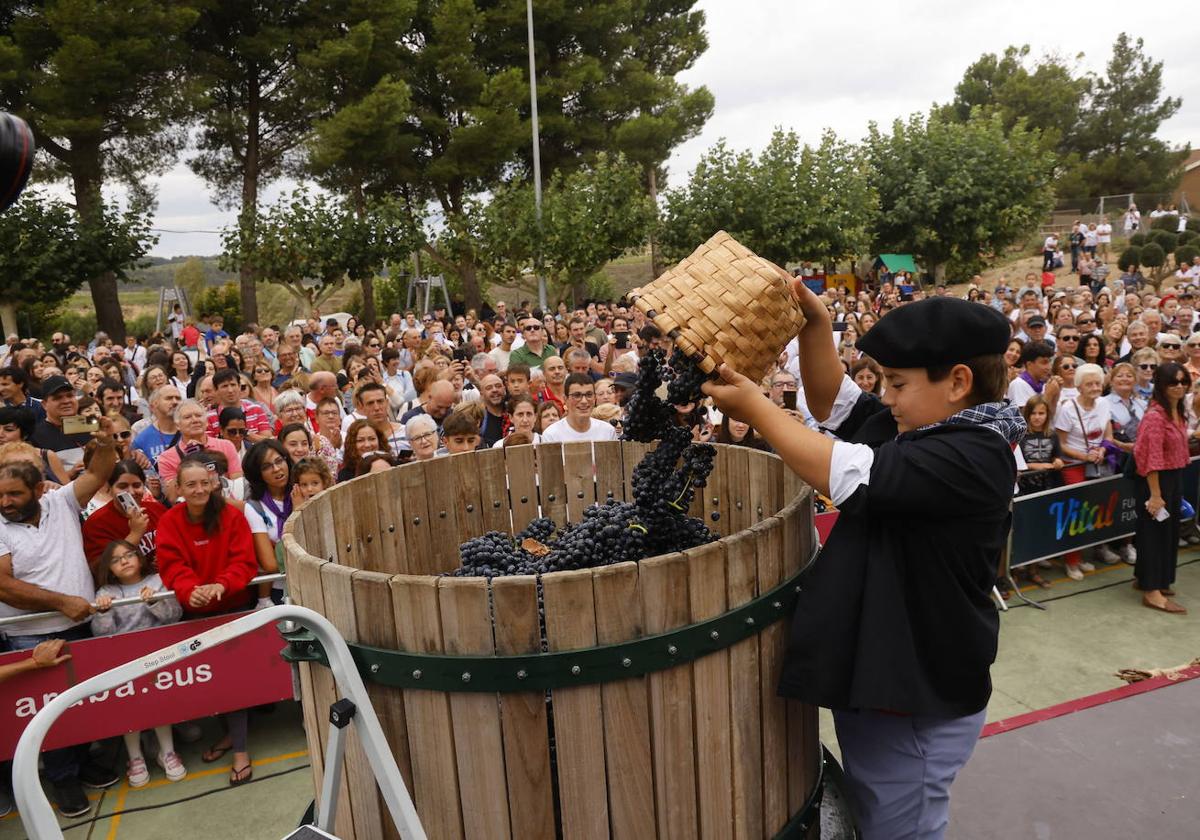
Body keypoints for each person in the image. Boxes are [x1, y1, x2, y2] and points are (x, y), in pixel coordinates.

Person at [703, 290, 1022, 840]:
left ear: (959, 382)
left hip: (917, 700)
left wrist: (757, 408)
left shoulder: (975, 454)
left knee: (899, 831)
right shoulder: (924, 428)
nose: (887, 397)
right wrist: (815, 325)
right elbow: (835, 403)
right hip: (888, 685)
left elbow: (847, 475)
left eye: (898, 383)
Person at [0, 418, 123, 816]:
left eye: (14, 495)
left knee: (79, 707)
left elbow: (100, 470)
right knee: (45, 715)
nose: (5, 503)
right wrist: (60, 602)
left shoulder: (61, 500)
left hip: (82, 626)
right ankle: (64, 778)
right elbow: (2, 586)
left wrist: (104, 441)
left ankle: (82, 762)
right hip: (29, 639)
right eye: (0, 495)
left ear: (39, 489)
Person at [155, 454, 259, 785]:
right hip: (195, 612)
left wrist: (221, 584)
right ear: (179, 487)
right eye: (191, 484)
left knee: (235, 681)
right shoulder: (170, 521)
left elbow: (245, 561)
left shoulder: (231, 514)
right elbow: (171, 566)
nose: (199, 489)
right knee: (211, 681)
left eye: (205, 483)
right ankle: (231, 734)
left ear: (214, 483)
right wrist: (190, 589)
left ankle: (240, 749)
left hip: (233, 607)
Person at [91, 540, 186, 787]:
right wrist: (103, 613)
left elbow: (173, 616)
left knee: (159, 703)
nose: (124, 561)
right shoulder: (104, 593)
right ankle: (135, 758)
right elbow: (101, 634)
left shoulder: (157, 582)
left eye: (129, 555)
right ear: (109, 568)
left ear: (139, 557)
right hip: (123, 661)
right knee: (128, 708)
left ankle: (167, 752)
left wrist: (155, 602)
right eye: (116, 559)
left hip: (158, 657)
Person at [1132, 363, 1191, 614]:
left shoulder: (1178, 411)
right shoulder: (1155, 417)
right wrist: (1155, 495)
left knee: (1167, 532)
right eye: (1173, 382)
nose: (1179, 386)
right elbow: (1150, 458)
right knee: (1154, 534)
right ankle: (1151, 591)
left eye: (1182, 381)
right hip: (1156, 482)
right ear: (1162, 386)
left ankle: (1151, 579)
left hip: (1174, 477)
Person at [1054, 363, 1116, 580]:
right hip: (1073, 465)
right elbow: (1059, 444)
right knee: (1076, 512)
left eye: (1098, 383)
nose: (1095, 387)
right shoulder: (1067, 409)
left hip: (1097, 464)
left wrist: (1101, 450)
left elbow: (1108, 436)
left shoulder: (1104, 404)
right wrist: (1083, 457)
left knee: (1094, 511)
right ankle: (1071, 562)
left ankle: (1081, 556)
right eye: (1089, 384)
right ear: (1079, 387)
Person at [81, 460, 166, 568]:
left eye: (136, 485)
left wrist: (167, 557)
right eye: (122, 486)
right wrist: (135, 534)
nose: (131, 492)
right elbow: (101, 570)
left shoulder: (156, 509)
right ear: (110, 488)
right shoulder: (96, 524)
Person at [157, 399, 243, 499]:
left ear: (206, 422)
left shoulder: (226, 445)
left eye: (198, 416)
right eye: (187, 417)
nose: (195, 420)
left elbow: (238, 485)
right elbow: (172, 497)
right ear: (177, 425)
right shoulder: (166, 458)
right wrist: (191, 459)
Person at [241, 440, 290, 606]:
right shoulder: (254, 507)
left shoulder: (303, 490)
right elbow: (270, 564)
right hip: (280, 590)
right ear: (258, 474)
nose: (277, 469)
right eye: (267, 466)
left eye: (279, 461)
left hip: (312, 582)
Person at [540, 373, 620, 443]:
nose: (584, 401)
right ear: (565, 399)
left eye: (589, 395)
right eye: (577, 395)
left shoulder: (607, 431)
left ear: (595, 398)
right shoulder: (551, 435)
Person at [0, 405, 70, 483]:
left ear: (25, 434)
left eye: (8, 430)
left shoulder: (45, 455)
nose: (0, 434)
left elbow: (67, 490)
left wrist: (54, 486)